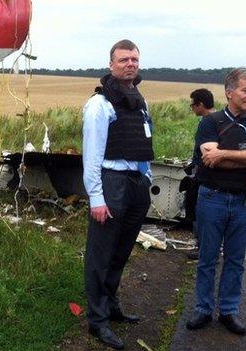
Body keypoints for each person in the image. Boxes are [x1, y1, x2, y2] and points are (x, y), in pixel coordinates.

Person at [186, 68, 246, 336]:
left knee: (236, 259)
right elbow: (208, 158)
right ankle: (203, 308)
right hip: (212, 197)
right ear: (229, 92)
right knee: (207, 257)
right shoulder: (210, 122)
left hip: (244, 201)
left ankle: (228, 310)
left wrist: (224, 154)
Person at [82, 39, 153, 350]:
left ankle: (111, 306)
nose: (130, 64)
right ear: (111, 64)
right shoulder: (100, 104)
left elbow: (143, 143)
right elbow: (92, 155)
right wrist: (96, 197)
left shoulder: (140, 101)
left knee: (122, 251)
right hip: (112, 184)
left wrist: (146, 176)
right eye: (124, 59)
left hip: (136, 185)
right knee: (101, 254)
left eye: (134, 59)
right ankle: (97, 321)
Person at [184, 89, 216, 260]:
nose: (192, 108)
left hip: (203, 175)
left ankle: (202, 248)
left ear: (200, 104)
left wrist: (196, 166)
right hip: (204, 172)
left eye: (193, 104)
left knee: (198, 209)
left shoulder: (208, 122)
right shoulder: (218, 119)